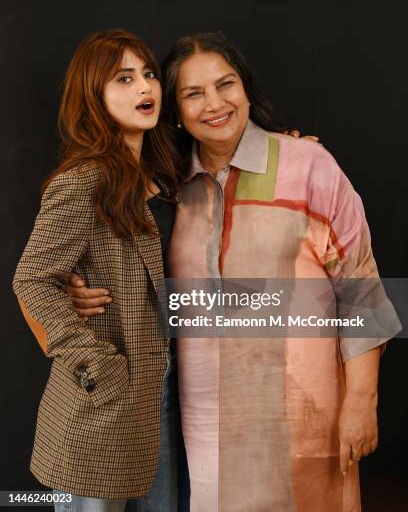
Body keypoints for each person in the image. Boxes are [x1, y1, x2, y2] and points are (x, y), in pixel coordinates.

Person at [70, 31, 401, 511]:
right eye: (193, 93)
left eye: (226, 85)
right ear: (175, 112)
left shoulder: (309, 166)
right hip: (206, 432)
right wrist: (81, 294)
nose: (215, 104)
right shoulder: (167, 190)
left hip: (305, 419)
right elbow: (141, 283)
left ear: (246, 88)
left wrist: (361, 402)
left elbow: (361, 290)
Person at [13, 29, 184, 511]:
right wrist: (98, 366)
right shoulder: (84, 181)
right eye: (124, 79)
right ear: (94, 97)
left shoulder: (162, 175)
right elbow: (32, 280)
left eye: (148, 74)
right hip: (103, 398)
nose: (145, 87)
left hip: (161, 391)